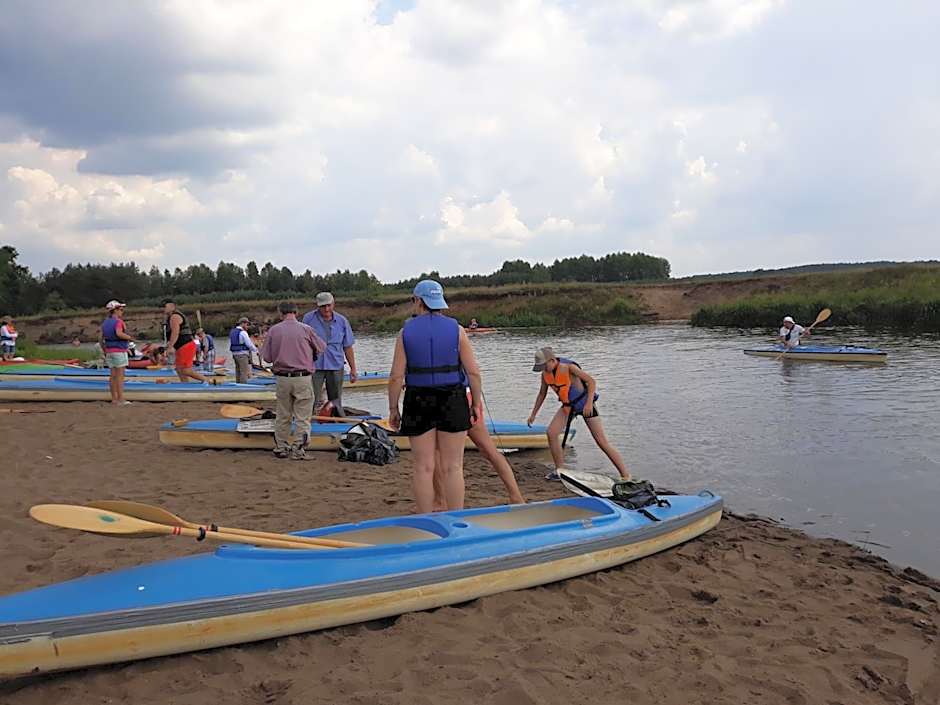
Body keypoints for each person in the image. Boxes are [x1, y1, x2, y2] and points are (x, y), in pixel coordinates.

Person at [388, 280, 483, 513]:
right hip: (452, 397)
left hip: (418, 399)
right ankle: (456, 519)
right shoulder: (457, 330)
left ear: (418, 301)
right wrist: (476, 404)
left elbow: (396, 377)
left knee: (423, 467)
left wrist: (393, 409)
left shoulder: (405, 333)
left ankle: (425, 519)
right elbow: (473, 372)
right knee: (453, 466)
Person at [527, 346, 630, 482]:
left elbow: (591, 382)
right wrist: (533, 414)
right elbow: (542, 394)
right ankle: (560, 470)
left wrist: (588, 404)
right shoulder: (545, 375)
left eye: (544, 366)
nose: (543, 370)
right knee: (551, 433)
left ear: (552, 360)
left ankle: (625, 476)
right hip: (568, 407)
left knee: (601, 441)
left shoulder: (569, 368)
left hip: (584, 405)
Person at [260, 301, 326, 460]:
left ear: (280, 313)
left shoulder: (273, 331)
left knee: (283, 414)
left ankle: (281, 447)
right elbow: (322, 348)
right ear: (296, 312)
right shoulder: (307, 329)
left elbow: (267, 357)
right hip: (302, 377)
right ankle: (298, 448)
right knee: (303, 416)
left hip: (282, 378)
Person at [302, 292, 357, 416]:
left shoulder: (342, 321)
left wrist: (353, 369)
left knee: (335, 400)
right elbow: (302, 344)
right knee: (310, 398)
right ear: (317, 306)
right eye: (323, 306)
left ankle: (337, 424)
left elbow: (347, 346)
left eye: (329, 305)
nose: (326, 309)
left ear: (333, 304)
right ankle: (306, 425)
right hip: (314, 366)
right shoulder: (308, 319)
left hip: (336, 365)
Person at [162, 299, 206, 383]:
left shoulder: (175, 317)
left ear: (172, 306)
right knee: (179, 369)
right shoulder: (170, 317)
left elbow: (175, 333)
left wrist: (170, 347)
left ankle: (207, 381)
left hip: (186, 346)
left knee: (186, 370)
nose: (163, 308)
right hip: (180, 346)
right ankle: (185, 386)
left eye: (165, 306)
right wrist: (169, 345)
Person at [100, 301, 134, 405]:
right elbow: (119, 333)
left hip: (109, 351)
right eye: (121, 310)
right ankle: (121, 399)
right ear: (115, 310)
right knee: (120, 376)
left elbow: (100, 338)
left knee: (113, 376)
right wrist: (129, 337)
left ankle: (114, 399)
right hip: (119, 351)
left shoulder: (105, 322)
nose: (122, 312)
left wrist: (104, 350)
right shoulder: (118, 322)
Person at [228, 317, 258, 383]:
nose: (248, 327)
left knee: (238, 371)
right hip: (242, 354)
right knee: (244, 372)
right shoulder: (243, 332)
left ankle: (238, 384)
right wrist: (256, 350)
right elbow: (249, 344)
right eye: (247, 325)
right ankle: (243, 387)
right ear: (243, 324)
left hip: (234, 354)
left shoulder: (232, 331)